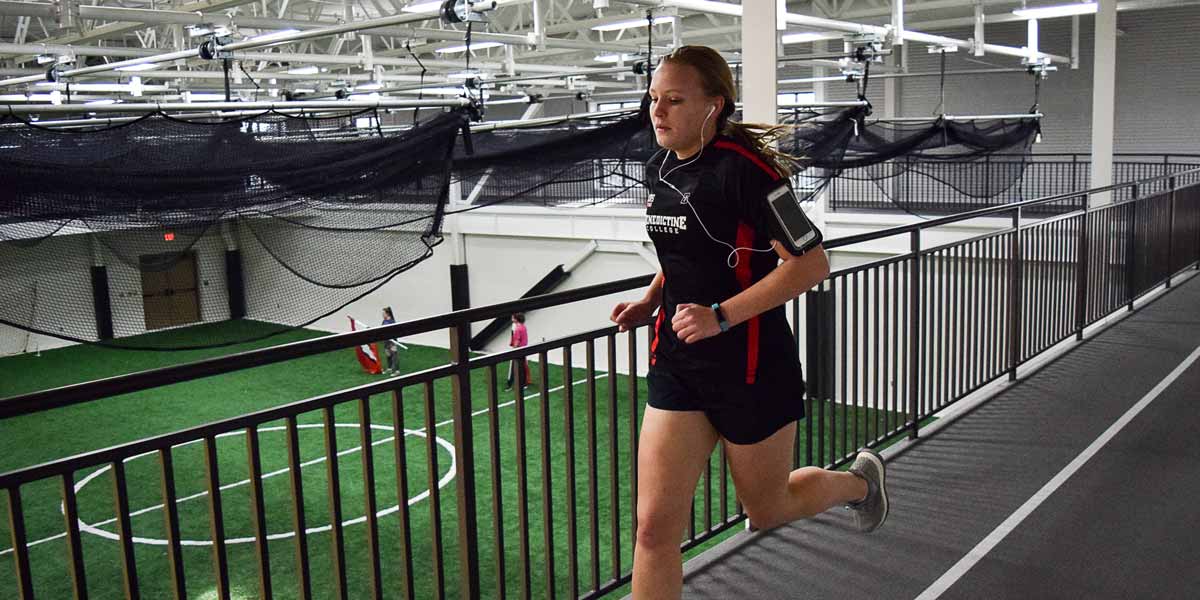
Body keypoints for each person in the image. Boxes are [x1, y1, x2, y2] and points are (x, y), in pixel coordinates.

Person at [608, 46, 889, 600]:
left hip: (751, 365)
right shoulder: (659, 167)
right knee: (653, 530)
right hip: (680, 364)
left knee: (766, 509)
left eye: (673, 100)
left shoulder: (749, 173)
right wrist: (650, 299)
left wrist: (720, 316)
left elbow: (811, 263)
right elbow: (684, 253)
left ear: (714, 106)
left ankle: (860, 483)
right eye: (653, 100)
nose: (657, 112)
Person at [505, 312, 531, 392]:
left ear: (516, 319)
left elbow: (516, 340)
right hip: (523, 349)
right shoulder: (523, 327)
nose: (511, 319)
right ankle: (524, 384)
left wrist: (514, 349)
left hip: (518, 349)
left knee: (513, 367)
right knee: (522, 366)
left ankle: (509, 385)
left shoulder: (517, 329)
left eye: (513, 318)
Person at [381, 306, 400, 375]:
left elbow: (395, 331)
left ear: (387, 314)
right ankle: (389, 369)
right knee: (388, 355)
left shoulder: (392, 322)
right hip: (386, 341)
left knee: (394, 356)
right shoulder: (384, 321)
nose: (382, 315)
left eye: (383, 313)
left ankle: (397, 371)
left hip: (392, 342)